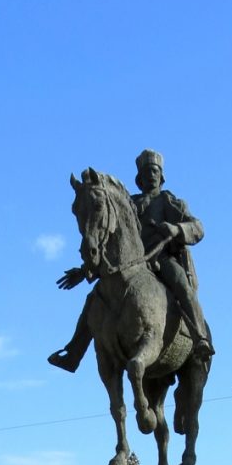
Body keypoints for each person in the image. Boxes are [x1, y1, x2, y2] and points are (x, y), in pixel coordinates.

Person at [48, 149, 214, 372]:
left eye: (154, 171)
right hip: (128, 265)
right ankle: (73, 353)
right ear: (139, 178)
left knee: (181, 283)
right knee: (93, 300)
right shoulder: (129, 204)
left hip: (160, 259)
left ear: (161, 175)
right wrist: (85, 270)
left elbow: (198, 228)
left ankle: (200, 337)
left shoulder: (169, 201)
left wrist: (176, 228)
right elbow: (106, 237)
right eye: (146, 172)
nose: (150, 175)